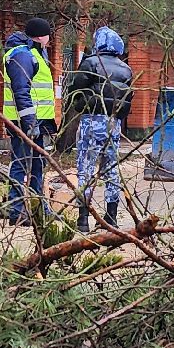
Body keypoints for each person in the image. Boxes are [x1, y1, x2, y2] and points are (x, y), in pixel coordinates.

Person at [65, 26, 133, 232]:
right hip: (113, 124)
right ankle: (111, 216)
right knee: (111, 169)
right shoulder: (126, 69)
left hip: (91, 121)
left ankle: (83, 218)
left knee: (85, 168)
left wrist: (80, 105)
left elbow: (75, 89)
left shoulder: (91, 63)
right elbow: (129, 97)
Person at [2, 17, 57, 225]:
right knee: (20, 165)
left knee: (36, 166)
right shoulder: (22, 54)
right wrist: (29, 123)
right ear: (42, 36)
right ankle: (16, 212)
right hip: (24, 122)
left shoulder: (33, 53)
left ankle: (36, 209)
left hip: (35, 121)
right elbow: (21, 91)